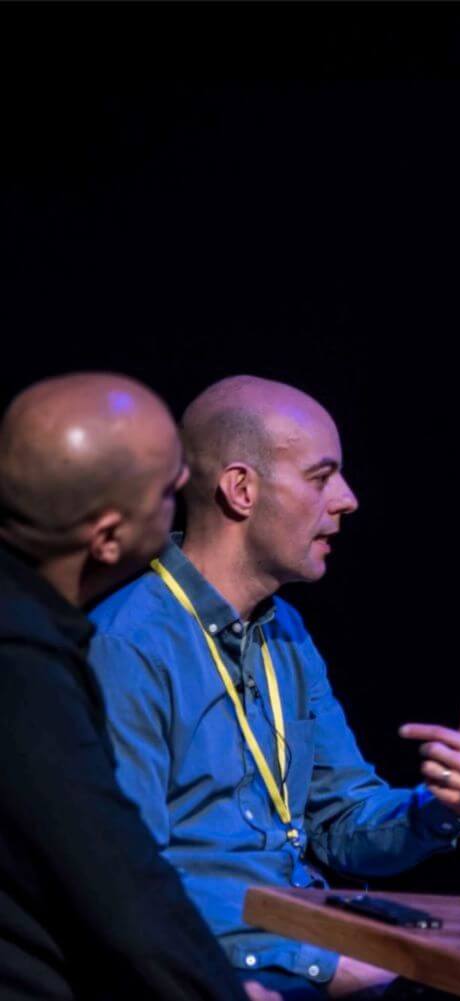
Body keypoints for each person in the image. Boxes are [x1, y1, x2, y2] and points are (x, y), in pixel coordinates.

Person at [88, 375, 460, 998]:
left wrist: (441, 808)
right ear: (241, 489)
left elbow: (341, 820)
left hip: (301, 941)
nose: (348, 499)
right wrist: (320, 967)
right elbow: (125, 876)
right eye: (321, 476)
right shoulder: (130, 644)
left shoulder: (287, 633)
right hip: (213, 968)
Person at [0, 373, 249, 1000]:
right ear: (108, 538)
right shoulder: (23, 669)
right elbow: (120, 890)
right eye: (168, 489)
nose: (188, 485)